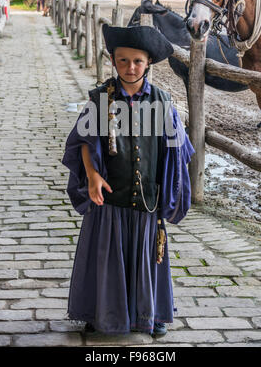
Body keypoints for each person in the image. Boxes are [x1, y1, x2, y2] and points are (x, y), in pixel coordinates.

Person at [62, 24, 195, 336]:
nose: (130, 67)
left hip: (147, 199)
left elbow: (177, 151)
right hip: (109, 199)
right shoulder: (101, 100)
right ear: (113, 60)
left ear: (148, 62)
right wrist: (92, 176)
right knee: (107, 258)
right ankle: (100, 312)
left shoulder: (163, 103)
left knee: (150, 257)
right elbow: (83, 141)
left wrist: (171, 191)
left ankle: (153, 313)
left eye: (137, 61)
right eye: (123, 60)